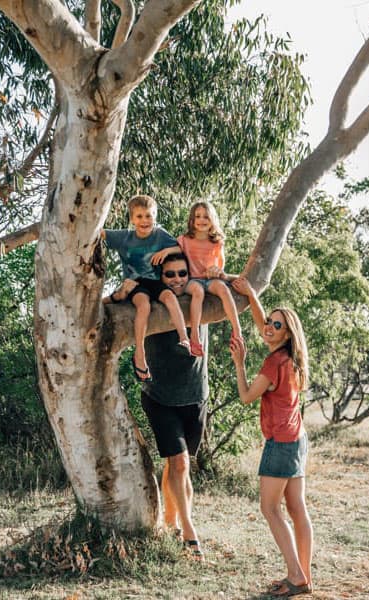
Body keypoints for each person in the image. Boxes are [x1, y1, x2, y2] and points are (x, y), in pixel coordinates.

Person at [109, 253, 208, 559]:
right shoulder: (149, 305)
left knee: (180, 465)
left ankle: (170, 521)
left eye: (182, 273)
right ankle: (189, 532)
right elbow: (113, 302)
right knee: (178, 463)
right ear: (159, 278)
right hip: (160, 396)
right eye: (169, 275)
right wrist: (121, 290)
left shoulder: (202, 298)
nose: (177, 279)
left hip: (196, 396)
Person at [229, 277, 314, 597]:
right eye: (268, 321)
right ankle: (303, 575)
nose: (268, 326)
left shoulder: (273, 361)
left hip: (281, 442)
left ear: (286, 333)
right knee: (296, 508)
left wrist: (240, 363)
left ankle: (296, 576)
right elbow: (262, 324)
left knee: (270, 508)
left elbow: (247, 396)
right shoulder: (291, 358)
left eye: (276, 325)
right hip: (297, 439)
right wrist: (251, 295)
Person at [102, 194, 191, 382]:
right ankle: (139, 354)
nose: (144, 220)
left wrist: (167, 250)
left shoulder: (160, 235)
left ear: (155, 216)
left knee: (170, 298)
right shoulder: (124, 237)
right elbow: (98, 233)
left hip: (155, 281)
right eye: (139, 216)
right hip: (134, 283)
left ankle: (184, 339)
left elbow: (182, 248)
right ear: (132, 219)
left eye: (149, 216)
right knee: (144, 306)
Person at [177, 201, 242, 357]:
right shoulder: (184, 240)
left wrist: (215, 272)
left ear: (212, 219)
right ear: (192, 220)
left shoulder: (217, 243)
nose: (201, 220)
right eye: (197, 216)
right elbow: (176, 261)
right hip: (191, 281)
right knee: (198, 292)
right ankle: (194, 335)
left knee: (223, 289)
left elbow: (220, 267)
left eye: (206, 216)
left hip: (209, 280)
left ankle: (237, 329)